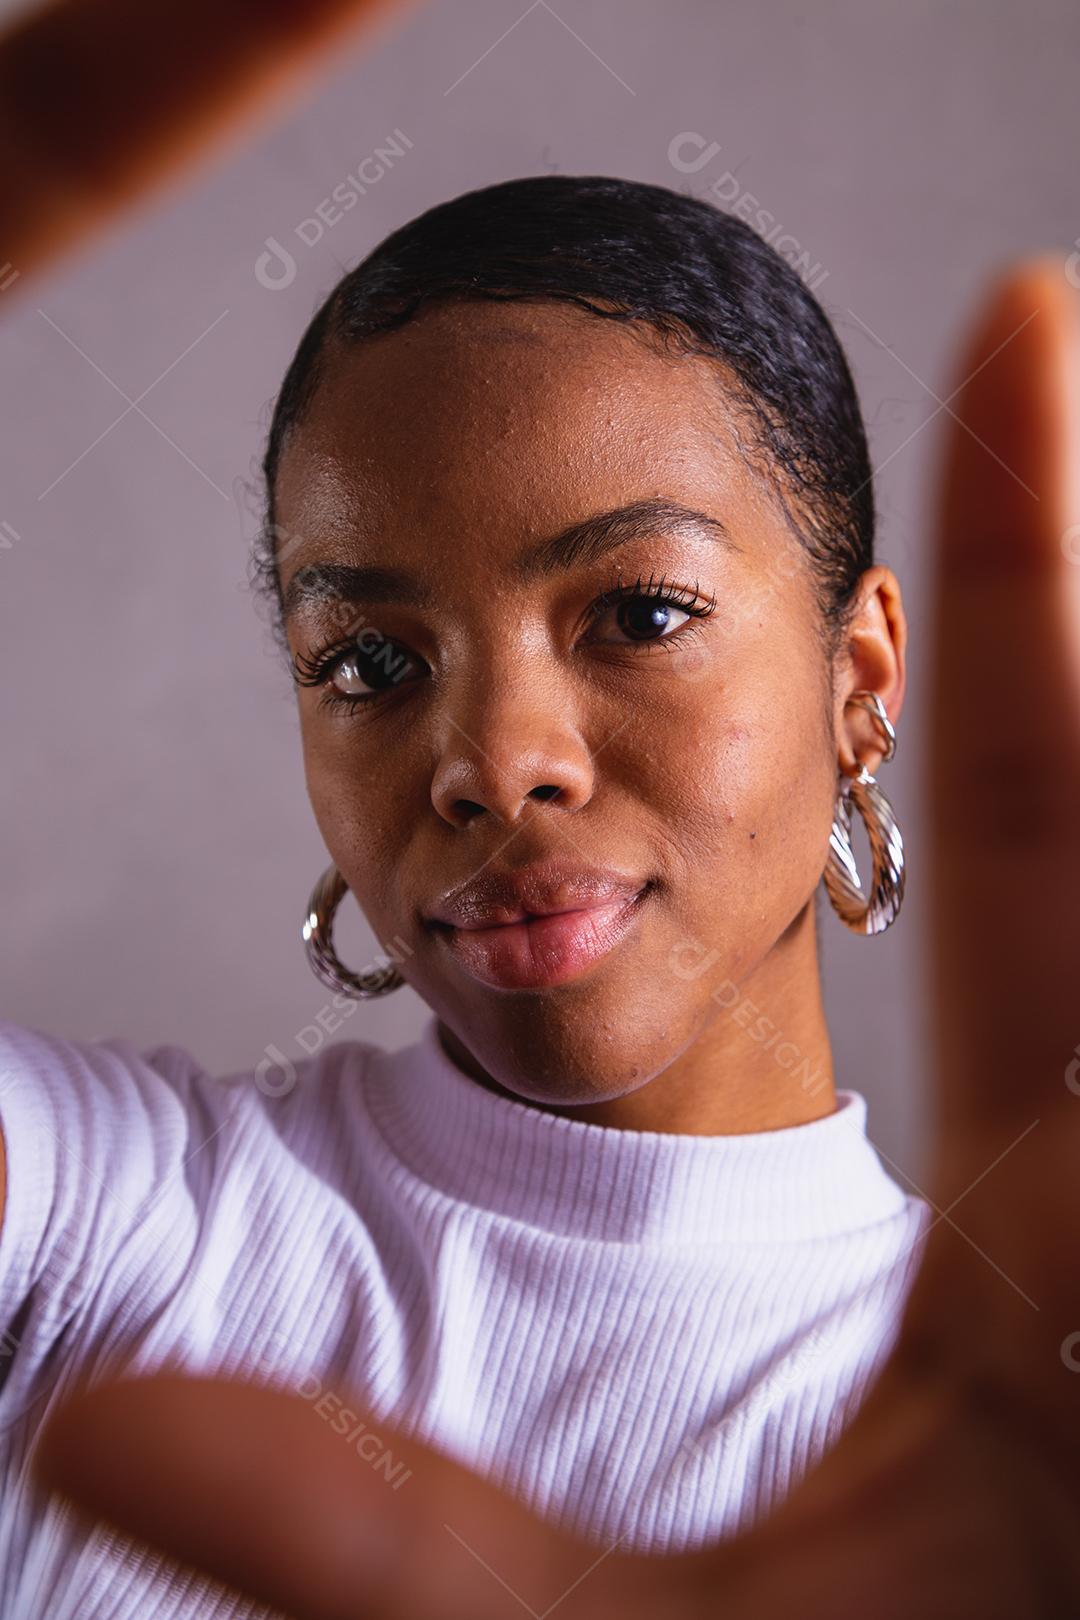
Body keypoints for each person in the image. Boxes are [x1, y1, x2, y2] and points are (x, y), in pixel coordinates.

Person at [6, 175, 1080, 1619]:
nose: (496, 765)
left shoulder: (1008, 1429)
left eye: (641, 615)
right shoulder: (102, 1222)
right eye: (371, 665)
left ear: (861, 684)